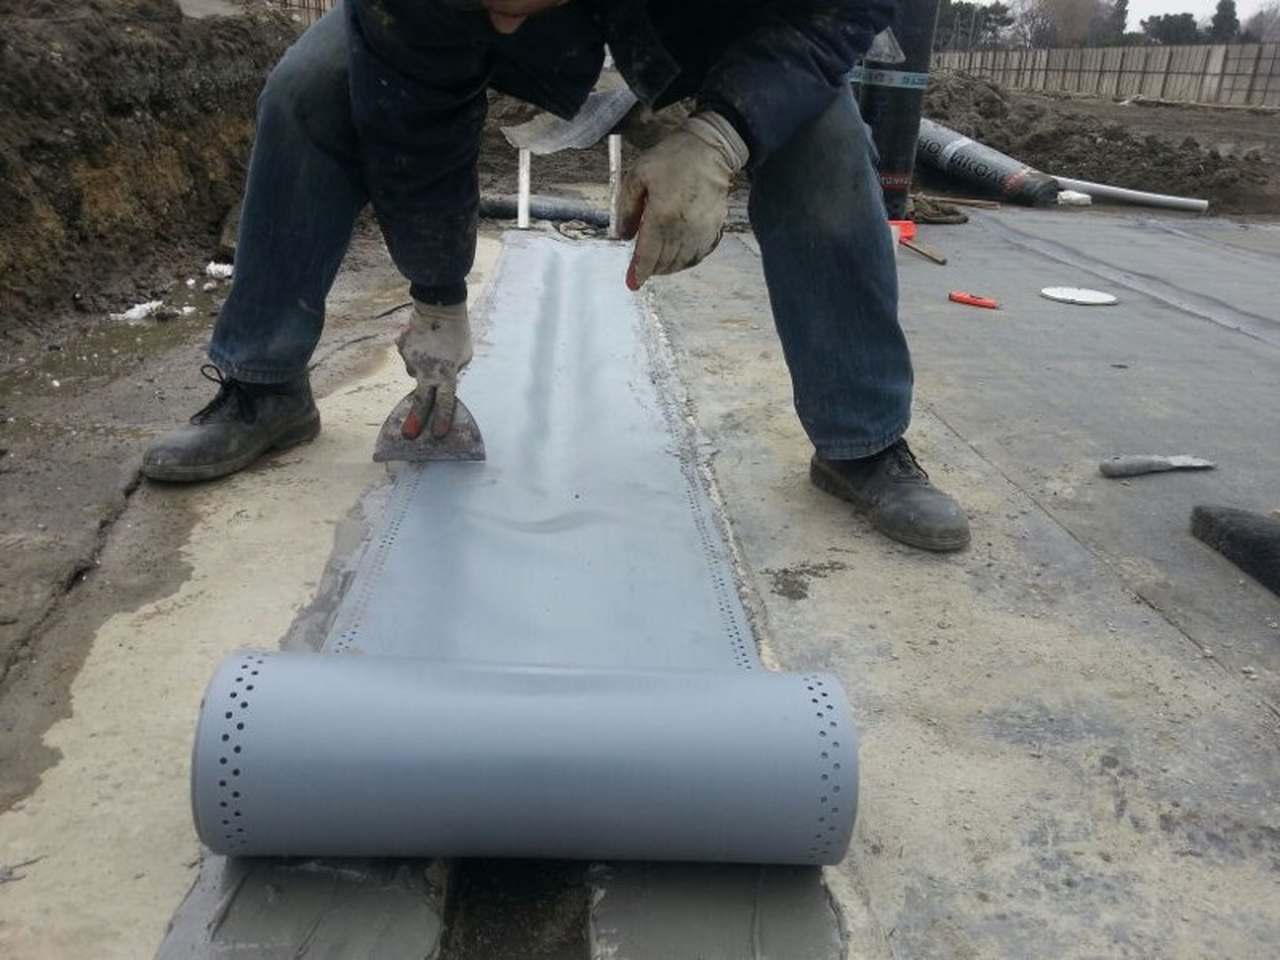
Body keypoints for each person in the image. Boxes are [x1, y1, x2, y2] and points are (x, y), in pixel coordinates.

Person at [142, 0, 970, 552]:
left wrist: (723, 134)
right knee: (309, 90)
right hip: (544, 31)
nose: (496, 6)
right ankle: (265, 386)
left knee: (823, 144)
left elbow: (843, 12)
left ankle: (859, 441)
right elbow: (413, 116)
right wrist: (437, 295)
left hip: (710, 14)